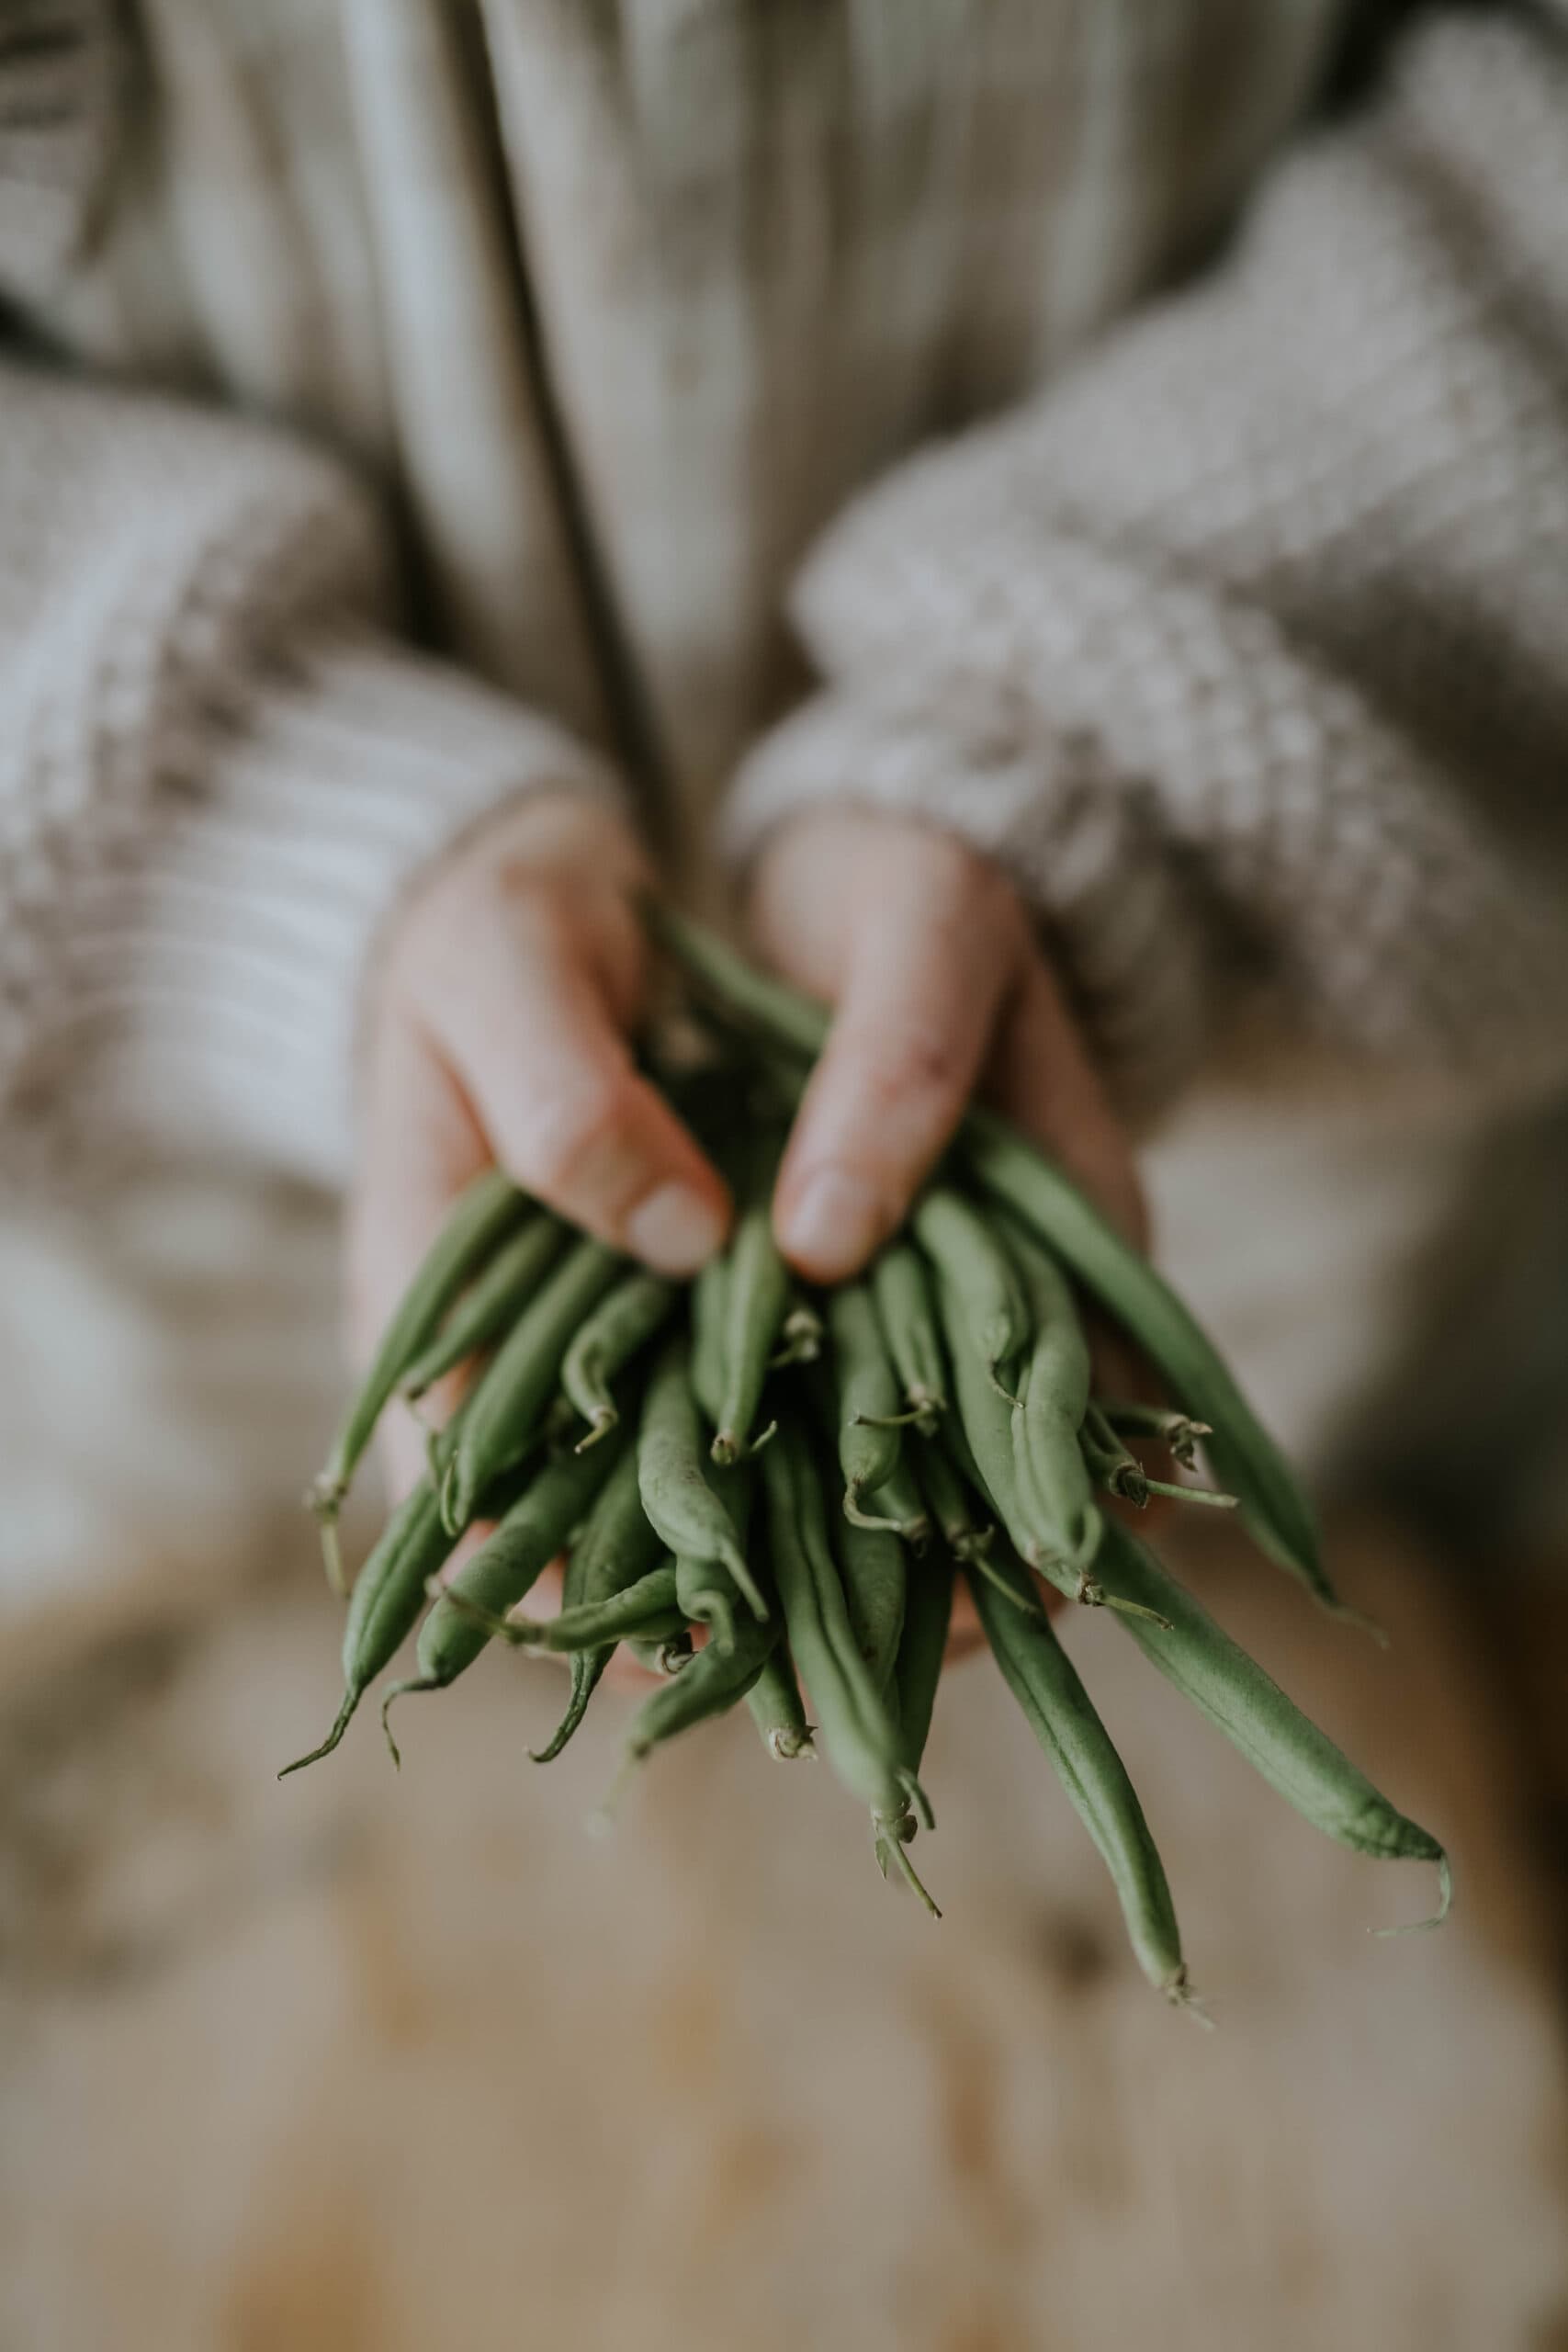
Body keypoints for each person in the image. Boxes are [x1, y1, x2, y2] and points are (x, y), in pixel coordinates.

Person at [2, 0, 1565, 1508]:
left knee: (1332, 1532)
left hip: (1300, 1176)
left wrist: (1083, 758)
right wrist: (238, 829)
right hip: (188, 1269)